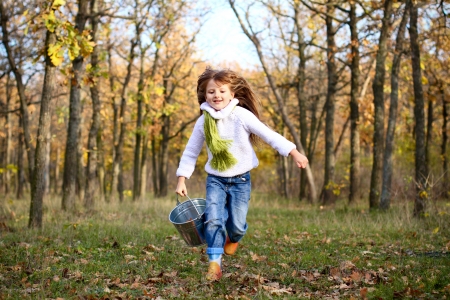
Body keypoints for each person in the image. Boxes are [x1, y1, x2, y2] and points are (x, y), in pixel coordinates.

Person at [175, 67, 308, 281]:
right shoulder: (203, 121)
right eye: (211, 92)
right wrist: (182, 178)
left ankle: (233, 237)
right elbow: (190, 152)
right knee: (213, 220)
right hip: (215, 180)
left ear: (232, 94)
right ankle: (214, 265)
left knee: (236, 225)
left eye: (221, 91)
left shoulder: (241, 116)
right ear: (204, 95)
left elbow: (268, 134)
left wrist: (293, 152)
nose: (216, 95)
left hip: (241, 180)